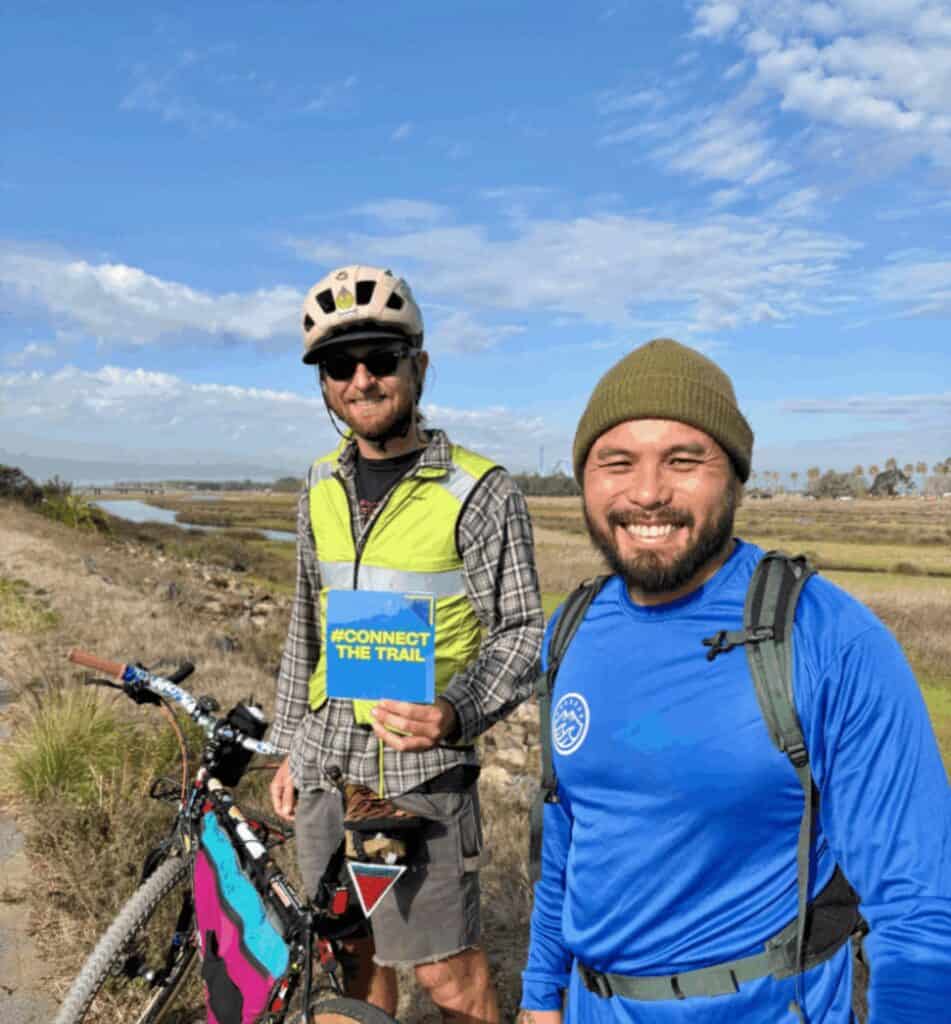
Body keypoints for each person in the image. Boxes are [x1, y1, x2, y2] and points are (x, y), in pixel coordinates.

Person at [520, 338, 951, 1022]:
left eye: (683, 460)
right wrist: (541, 992)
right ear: (585, 479)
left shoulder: (825, 637)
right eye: (617, 462)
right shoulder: (569, 632)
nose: (647, 493)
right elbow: (567, 836)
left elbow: (918, 905)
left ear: (735, 478)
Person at [268, 264, 544, 1022]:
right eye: (339, 365)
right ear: (324, 385)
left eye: (380, 359)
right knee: (348, 957)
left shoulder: (479, 490)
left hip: (414, 776)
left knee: (447, 975)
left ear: (418, 366)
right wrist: (290, 745)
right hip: (326, 765)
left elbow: (524, 630)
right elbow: (305, 623)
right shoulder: (318, 486)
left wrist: (455, 710)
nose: (361, 379)